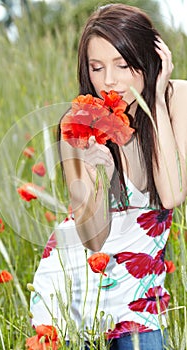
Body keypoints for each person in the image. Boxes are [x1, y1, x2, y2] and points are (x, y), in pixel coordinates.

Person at [30, 3, 187, 349]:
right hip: (75, 291)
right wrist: (101, 175)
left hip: (140, 297)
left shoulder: (178, 98)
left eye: (122, 64)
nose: (109, 81)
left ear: (148, 60)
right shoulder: (79, 124)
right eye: (96, 67)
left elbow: (173, 193)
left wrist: (156, 100)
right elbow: (93, 239)